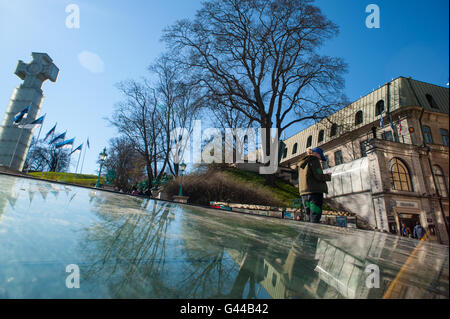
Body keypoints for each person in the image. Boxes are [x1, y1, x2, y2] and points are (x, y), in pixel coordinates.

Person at [298, 147, 332, 224]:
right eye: (320, 157)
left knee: (308, 217)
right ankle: (312, 236)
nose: (320, 160)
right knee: (315, 217)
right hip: (314, 193)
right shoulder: (314, 160)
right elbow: (319, 176)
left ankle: (305, 236)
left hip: (304, 193)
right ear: (316, 154)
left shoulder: (302, 162)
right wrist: (328, 176)